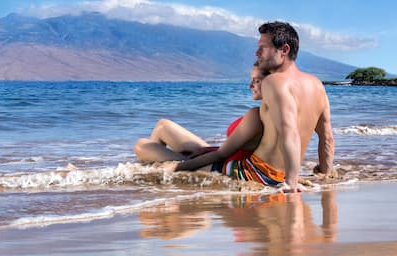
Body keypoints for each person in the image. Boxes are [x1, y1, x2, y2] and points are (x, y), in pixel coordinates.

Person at [173, 21, 335, 193]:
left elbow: (290, 131)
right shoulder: (317, 85)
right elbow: (327, 138)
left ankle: (161, 168)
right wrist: (325, 175)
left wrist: (291, 182)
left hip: (256, 173)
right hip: (280, 175)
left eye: (263, 48)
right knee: (188, 158)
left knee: (163, 162)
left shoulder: (275, 82)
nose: (257, 53)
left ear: (284, 50)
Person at [133, 63, 267, 167]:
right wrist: (209, 150)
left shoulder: (261, 116)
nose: (250, 86)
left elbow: (226, 154)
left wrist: (183, 166)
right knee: (162, 125)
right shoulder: (261, 111)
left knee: (141, 145)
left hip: (222, 165)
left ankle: (160, 175)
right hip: (220, 155)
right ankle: (157, 181)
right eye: (251, 80)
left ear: (271, 83)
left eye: (256, 81)